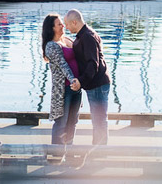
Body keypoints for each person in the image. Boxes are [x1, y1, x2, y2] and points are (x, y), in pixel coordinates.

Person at [64, 8, 111, 145]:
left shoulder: (88, 37)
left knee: (99, 120)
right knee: (98, 119)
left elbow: (93, 64)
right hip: (94, 83)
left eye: (67, 24)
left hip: (98, 84)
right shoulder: (82, 35)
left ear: (74, 22)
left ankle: (99, 152)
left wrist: (80, 81)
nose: (66, 27)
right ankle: (98, 149)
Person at [41, 13, 81, 145]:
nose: (62, 25)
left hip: (77, 87)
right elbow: (63, 65)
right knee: (61, 122)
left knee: (73, 121)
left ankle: (69, 151)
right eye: (59, 24)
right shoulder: (51, 46)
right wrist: (74, 80)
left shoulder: (68, 40)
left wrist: (81, 82)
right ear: (51, 28)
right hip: (64, 89)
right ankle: (56, 154)